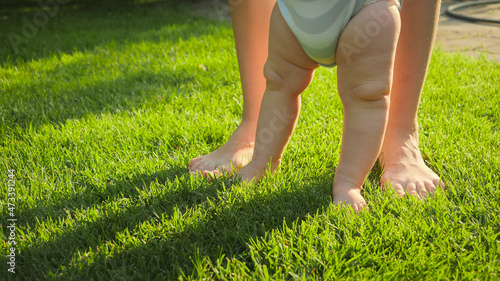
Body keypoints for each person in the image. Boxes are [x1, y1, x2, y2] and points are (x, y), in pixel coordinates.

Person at [189, 0, 445, 212]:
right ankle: (262, 161)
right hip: (294, 11)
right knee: (278, 82)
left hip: (365, 10)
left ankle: (348, 182)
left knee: (366, 95)